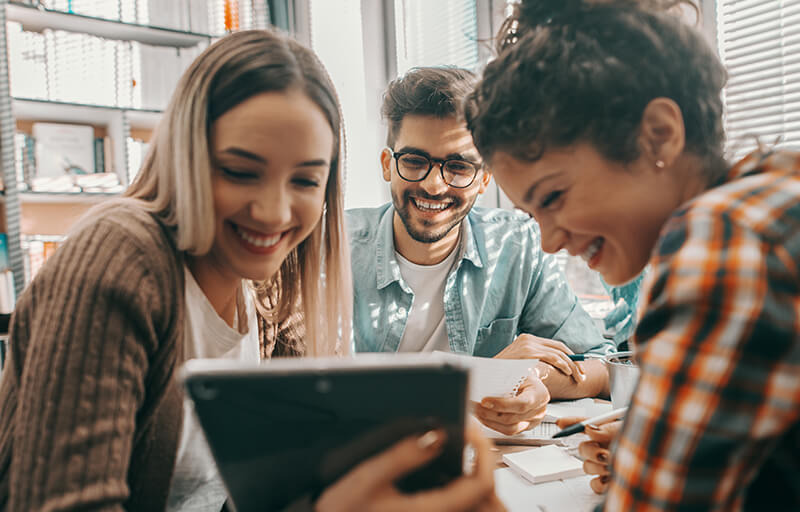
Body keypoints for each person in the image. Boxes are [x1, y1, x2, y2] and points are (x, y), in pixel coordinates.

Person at [0, 30, 502, 511]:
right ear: (186, 158)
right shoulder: (122, 256)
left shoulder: (274, 280)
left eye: (305, 180)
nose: (272, 212)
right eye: (240, 171)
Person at [467, 0, 800, 508]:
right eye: (533, 214)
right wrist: (660, 438)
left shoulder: (723, 239)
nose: (551, 242)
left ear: (658, 135)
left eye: (553, 197)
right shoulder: (776, 187)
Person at [347, 66, 614, 436]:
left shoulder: (517, 244)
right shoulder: (335, 249)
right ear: (387, 166)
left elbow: (599, 365)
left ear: (484, 178)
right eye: (414, 161)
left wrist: (532, 379)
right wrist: (482, 378)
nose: (434, 185)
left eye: (457, 166)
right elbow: (322, 391)